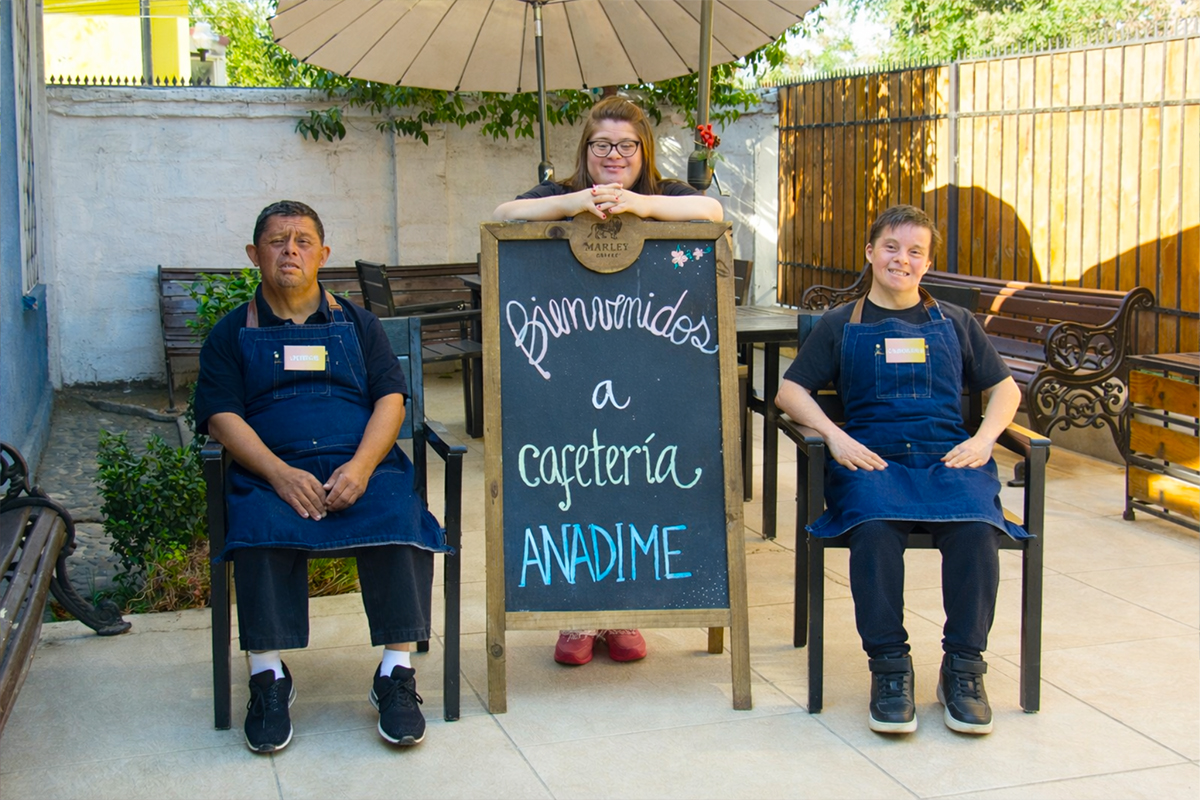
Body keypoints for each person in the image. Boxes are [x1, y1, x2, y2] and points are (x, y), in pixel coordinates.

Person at [194, 200, 449, 753]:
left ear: (323, 254)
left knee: (399, 514)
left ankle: (395, 673)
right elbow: (220, 416)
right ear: (254, 254)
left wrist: (362, 466)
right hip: (273, 469)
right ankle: (267, 676)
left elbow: (390, 399)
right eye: (277, 241)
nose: (290, 251)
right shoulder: (231, 333)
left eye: (303, 241)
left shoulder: (358, 324)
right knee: (257, 524)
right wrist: (279, 474)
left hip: (356, 463)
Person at [775, 204, 1025, 736]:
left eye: (915, 251)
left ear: (927, 263)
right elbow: (789, 391)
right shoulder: (840, 323)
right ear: (870, 252)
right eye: (891, 247)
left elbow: (1005, 389)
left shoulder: (956, 322)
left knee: (977, 530)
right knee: (873, 529)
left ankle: (963, 669)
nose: (902, 259)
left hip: (946, 456)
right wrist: (835, 436)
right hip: (874, 459)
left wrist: (984, 439)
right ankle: (890, 668)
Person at [493, 96, 723, 667]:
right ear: (586, 149)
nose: (614, 155)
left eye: (626, 145)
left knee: (637, 481)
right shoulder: (562, 191)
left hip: (647, 358)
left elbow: (712, 212)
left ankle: (623, 610)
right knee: (577, 481)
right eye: (602, 145)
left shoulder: (664, 194)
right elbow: (504, 214)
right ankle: (576, 612)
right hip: (570, 358)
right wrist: (577, 201)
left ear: (643, 150)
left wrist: (638, 205)